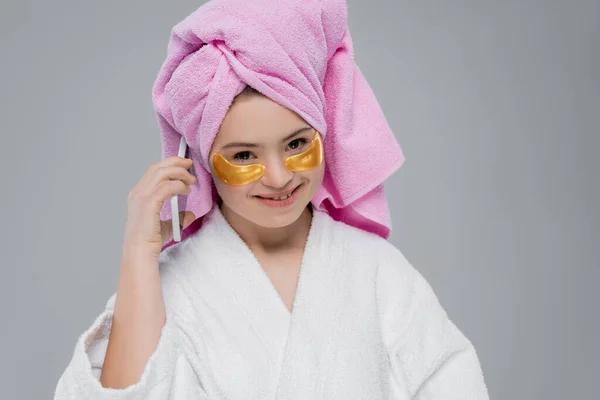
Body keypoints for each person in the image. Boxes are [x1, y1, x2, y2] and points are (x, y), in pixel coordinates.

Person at [54, 1, 490, 399]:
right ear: (204, 160)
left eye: (298, 144)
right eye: (244, 155)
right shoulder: (167, 289)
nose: (280, 177)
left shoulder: (377, 272)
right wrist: (137, 254)